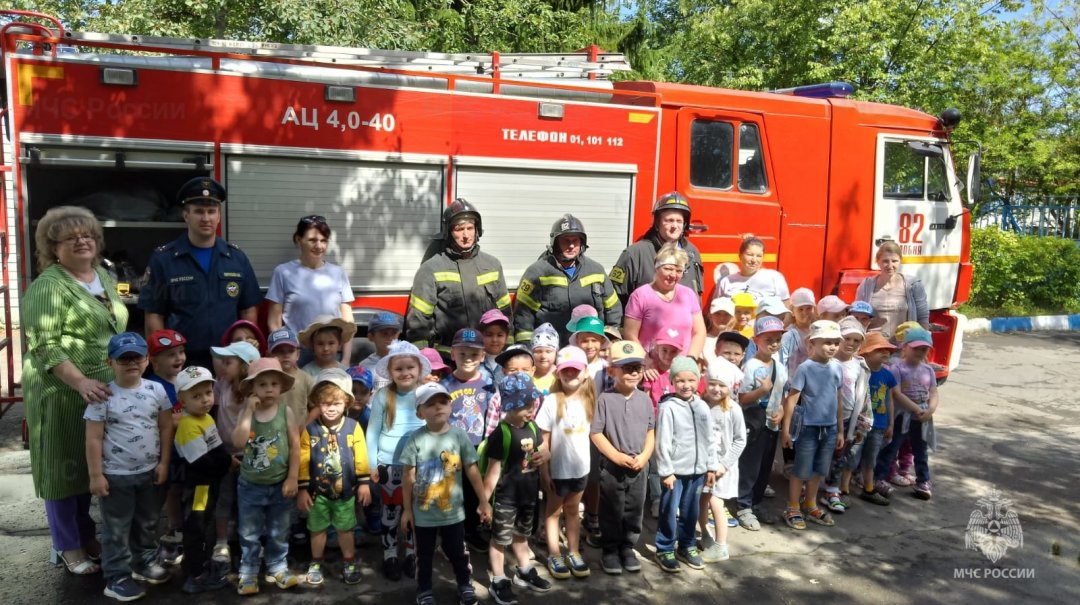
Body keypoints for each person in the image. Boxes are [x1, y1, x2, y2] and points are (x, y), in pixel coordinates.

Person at [23, 206, 128, 575]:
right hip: (61, 388)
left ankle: (85, 536)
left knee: (89, 465)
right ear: (53, 248)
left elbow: (112, 326)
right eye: (71, 237)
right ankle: (67, 546)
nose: (83, 241)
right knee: (61, 467)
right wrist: (80, 381)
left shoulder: (102, 275)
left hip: (101, 386)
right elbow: (45, 345)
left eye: (87, 235)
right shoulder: (47, 286)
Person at [84, 333, 174, 600]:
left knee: (147, 522)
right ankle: (116, 576)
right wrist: (96, 475)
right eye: (124, 358)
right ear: (110, 362)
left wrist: (164, 463)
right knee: (117, 529)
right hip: (116, 476)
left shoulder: (156, 390)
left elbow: (166, 426)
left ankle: (143, 562)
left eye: (137, 357)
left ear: (147, 360)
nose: (132, 362)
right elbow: (93, 437)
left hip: (149, 471)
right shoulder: (103, 395)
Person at [140, 177, 261, 369]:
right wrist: (162, 358)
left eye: (211, 211)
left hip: (228, 359)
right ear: (186, 215)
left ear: (219, 216)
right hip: (182, 361)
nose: (206, 218)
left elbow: (247, 310)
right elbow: (154, 314)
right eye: (198, 212)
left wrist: (243, 348)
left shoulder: (237, 258)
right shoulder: (164, 259)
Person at [400, 383, 492, 605]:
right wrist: (406, 510)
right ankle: (424, 590)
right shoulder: (415, 439)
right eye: (430, 404)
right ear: (419, 412)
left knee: (458, 553)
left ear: (451, 406)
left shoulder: (459, 436)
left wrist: (483, 500)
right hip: (423, 514)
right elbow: (407, 476)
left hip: (454, 513)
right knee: (424, 556)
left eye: (443, 402)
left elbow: (472, 469)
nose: (438, 407)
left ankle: (464, 585)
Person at [230, 358, 301, 595]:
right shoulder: (246, 412)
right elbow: (238, 443)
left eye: (273, 383)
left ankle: (277, 566)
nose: (269, 389)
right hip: (251, 485)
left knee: (279, 530)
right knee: (249, 532)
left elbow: (294, 445)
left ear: (281, 387)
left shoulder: (286, 411)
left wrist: (293, 478)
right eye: (262, 384)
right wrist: (248, 411)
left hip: (280, 483)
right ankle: (248, 570)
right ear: (252, 389)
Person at [406, 198, 512, 353]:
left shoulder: (493, 265)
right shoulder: (430, 269)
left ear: (477, 230)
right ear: (448, 232)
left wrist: (508, 352)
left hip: (486, 356)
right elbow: (418, 322)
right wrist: (425, 359)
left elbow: (506, 314)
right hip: (448, 359)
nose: (466, 235)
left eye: (470, 228)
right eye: (459, 229)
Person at [297, 369, 372, 586]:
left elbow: (361, 456)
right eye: (326, 403)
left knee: (345, 528)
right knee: (317, 529)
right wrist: (302, 489)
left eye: (337, 404)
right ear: (317, 403)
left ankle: (349, 561)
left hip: (345, 492)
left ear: (346, 403)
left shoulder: (353, 427)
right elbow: (303, 459)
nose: (331, 408)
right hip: (316, 493)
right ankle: (316, 562)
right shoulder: (310, 430)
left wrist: (364, 483)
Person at [483, 373, 551, 604]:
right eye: (524, 404)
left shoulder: (532, 426)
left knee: (522, 536)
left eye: (532, 402)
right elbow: (493, 471)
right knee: (500, 539)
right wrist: (484, 502)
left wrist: (545, 459)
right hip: (506, 498)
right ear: (510, 405)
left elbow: (544, 451)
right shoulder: (500, 434)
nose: (530, 408)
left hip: (529, 496)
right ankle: (499, 579)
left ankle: (524, 571)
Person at [367, 342, 430, 581]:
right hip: (389, 465)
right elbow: (372, 432)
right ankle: (390, 554)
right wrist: (372, 464)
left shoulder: (426, 393)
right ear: (391, 372)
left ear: (418, 368)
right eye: (399, 369)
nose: (405, 373)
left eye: (410, 367)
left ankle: (413, 553)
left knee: (415, 511)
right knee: (390, 511)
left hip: (419, 465)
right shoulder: (384, 395)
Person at [591, 341, 654, 575]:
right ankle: (610, 549)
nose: (633, 373)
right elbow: (596, 433)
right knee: (611, 509)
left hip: (639, 467)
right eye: (626, 368)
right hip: (612, 468)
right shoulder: (605, 400)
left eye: (637, 367)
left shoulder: (645, 399)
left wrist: (645, 456)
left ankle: (627, 547)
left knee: (634, 509)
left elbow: (650, 431)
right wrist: (616, 456)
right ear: (611, 371)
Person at [514, 214, 622, 344]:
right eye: (566, 240)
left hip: (588, 351)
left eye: (575, 240)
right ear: (555, 243)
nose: (571, 246)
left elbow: (613, 310)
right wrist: (527, 351)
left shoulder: (596, 271)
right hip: (551, 353)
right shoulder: (537, 273)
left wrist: (609, 342)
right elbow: (523, 318)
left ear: (582, 243)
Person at [536, 346, 596, 580]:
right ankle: (554, 553)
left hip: (580, 469)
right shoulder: (551, 401)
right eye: (565, 371)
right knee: (552, 513)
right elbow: (544, 441)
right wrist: (544, 471)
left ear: (585, 372)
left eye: (575, 370)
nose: (570, 375)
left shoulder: (590, 400)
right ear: (558, 373)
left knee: (573, 511)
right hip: (557, 471)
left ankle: (573, 551)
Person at [653, 356, 717, 573]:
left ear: (698, 381)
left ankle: (687, 545)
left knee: (691, 511)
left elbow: (710, 438)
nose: (686, 385)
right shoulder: (668, 407)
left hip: (698, 471)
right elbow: (662, 442)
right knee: (670, 510)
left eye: (691, 380)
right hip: (675, 472)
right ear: (672, 381)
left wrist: (711, 466)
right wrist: (666, 471)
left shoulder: (702, 407)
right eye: (680, 380)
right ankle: (664, 547)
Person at [441, 328, 502, 552]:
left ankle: (473, 530)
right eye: (463, 354)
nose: (468, 359)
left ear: (482, 356)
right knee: (453, 493)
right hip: (452, 450)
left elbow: (493, 416)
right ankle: (452, 537)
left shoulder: (487, 386)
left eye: (474, 354)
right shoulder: (445, 386)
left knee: (475, 491)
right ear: (453, 354)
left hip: (478, 447)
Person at [172, 366, 232, 594]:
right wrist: (225, 465)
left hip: (210, 483)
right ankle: (195, 574)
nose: (205, 400)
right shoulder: (188, 425)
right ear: (182, 400)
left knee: (205, 522)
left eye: (208, 393)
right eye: (196, 396)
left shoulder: (205, 418)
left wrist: (227, 461)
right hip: (199, 487)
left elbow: (217, 447)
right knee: (196, 525)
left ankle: (199, 563)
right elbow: (201, 462)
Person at [781, 320, 845, 530]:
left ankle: (810, 503)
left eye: (836, 342)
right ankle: (792, 506)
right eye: (827, 342)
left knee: (819, 470)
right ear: (812, 343)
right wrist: (786, 430)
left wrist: (841, 429)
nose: (832, 347)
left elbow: (838, 398)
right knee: (801, 470)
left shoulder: (837, 367)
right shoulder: (805, 368)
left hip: (830, 429)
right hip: (808, 428)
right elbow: (792, 399)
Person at [266, 215, 356, 364]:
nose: (319, 246)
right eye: (312, 240)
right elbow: (274, 322)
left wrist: (345, 359)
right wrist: (286, 355)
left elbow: (348, 322)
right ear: (298, 239)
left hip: (331, 353)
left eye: (324, 240)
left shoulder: (338, 273)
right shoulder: (283, 272)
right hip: (298, 355)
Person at [207, 340, 260, 568]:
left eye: (228, 362)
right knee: (224, 498)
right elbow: (215, 414)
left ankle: (252, 541)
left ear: (244, 366)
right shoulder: (221, 385)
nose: (223, 366)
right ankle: (221, 542)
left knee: (249, 501)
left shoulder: (255, 392)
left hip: (249, 454)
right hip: (226, 454)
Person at [735, 316, 788, 531]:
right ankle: (743, 505)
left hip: (772, 425)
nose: (773, 343)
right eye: (768, 339)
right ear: (756, 339)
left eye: (777, 339)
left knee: (765, 467)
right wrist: (761, 391)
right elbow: (741, 399)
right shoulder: (750, 366)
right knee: (750, 466)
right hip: (754, 424)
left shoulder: (780, 366)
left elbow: (782, 396)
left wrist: (782, 413)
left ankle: (756, 503)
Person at [875, 327, 939, 500]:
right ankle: (879, 477)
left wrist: (930, 410)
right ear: (905, 347)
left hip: (922, 415)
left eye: (924, 349)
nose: (920, 352)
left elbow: (933, 392)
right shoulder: (897, 369)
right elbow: (896, 393)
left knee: (920, 448)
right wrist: (916, 409)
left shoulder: (928, 370)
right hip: (901, 415)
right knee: (891, 446)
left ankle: (923, 480)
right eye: (916, 348)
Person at [609, 192, 704, 305]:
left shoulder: (693, 252)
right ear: (657, 223)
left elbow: (697, 295)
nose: (674, 226)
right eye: (669, 220)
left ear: (684, 224)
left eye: (679, 221)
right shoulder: (634, 254)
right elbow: (614, 296)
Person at [145, 328, 188, 566]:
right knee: (168, 491)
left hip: (188, 449)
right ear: (154, 361)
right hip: (165, 452)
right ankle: (172, 527)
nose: (179, 358)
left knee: (185, 488)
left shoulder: (187, 380)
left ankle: (186, 527)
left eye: (181, 352)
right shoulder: (152, 386)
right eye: (170, 354)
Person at [623, 243, 707, 359]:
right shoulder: (640, 296)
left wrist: (691, 359)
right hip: (651, 368)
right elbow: (630, 334)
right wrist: (646, 361)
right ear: (657, 268)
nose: (673, 275)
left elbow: (700, 331)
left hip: (681, 367)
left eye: (679, 271)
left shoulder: (688, 295)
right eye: (668, 269)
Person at [697, 359, 745, 563]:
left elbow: (740, 440)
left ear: (730, 387)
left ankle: (721, 545)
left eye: (722, 385)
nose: (716, 389)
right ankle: (705, 535)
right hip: (702, 465)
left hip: (722, 468)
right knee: (701, 501)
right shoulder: (701, 404)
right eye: (712, 383)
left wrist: (724, 464)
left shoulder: (733, 409)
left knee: (716, 502)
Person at [821, 317, 870, 514]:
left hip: (848, 418)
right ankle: (809, 486)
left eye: (856, 340)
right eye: (846, 338)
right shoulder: (826, 362)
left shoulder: (860, 366)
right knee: (820, 453)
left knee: (840, 455)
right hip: (824, 416)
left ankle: (832, 490)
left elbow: (863, 396)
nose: (850, 343)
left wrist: (862, 424)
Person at [855, 333, 904, 506]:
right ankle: (840, 488)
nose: (885, 353)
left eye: (888, 350)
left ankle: (869, 488)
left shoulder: (888, 375)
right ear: (866, 353)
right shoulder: (860, 372)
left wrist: (890, 423)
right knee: (851, 456)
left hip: (879, 424)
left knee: (871, 458)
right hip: (860, 423)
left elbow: (889, 400)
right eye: (880, 350)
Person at [855, 240, 930, 340]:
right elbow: (857, 316)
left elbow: (923, 318)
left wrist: (923, 342)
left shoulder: (913, 285)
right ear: (878, 261)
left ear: (900, 261)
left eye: (894, 261)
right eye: (885, 261)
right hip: (873, 348)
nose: (890, 266)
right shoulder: (866, 285)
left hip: (903, 346)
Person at [712, 236, 791, 306]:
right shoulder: (726, 282)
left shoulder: (775, 277)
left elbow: (787, 309)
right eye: (750, 254)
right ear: (740, 255)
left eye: (759, 256)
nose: (754, 260)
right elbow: (715, 311)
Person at [267, 327, 316, 425]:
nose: (286, 355)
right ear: (269, 355)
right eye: (280, 351)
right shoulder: (265, 380)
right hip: (274, 434)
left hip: (300, 434)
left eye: (290, 351)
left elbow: (317, 407)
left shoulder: (306, 379)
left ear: (297, 354)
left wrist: (306, 426)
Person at [359, 311, 404, 390]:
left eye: (393, 333)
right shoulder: (364, 366)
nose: (390, 337)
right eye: (384, 333)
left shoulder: (405, 362)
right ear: (371, 336)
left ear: (398, 335)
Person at [479, 309, 512, 381]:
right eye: (489, 335)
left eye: (499, 335)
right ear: (481, 336)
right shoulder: (474, 361)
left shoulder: (511, 362)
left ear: (506, 337)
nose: (494, 340)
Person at [529, 323, 560, 397]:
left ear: (556, 353)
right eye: (538, 351)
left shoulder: (560, 375)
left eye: (548, 351)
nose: (543, 356)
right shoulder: (528, 375)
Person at [704, 297, 735, 365]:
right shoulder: (702, 339)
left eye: (727, 314)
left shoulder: (737, 339)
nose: (722, 318)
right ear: (710, 316)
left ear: (733, 317)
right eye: (717, 313)